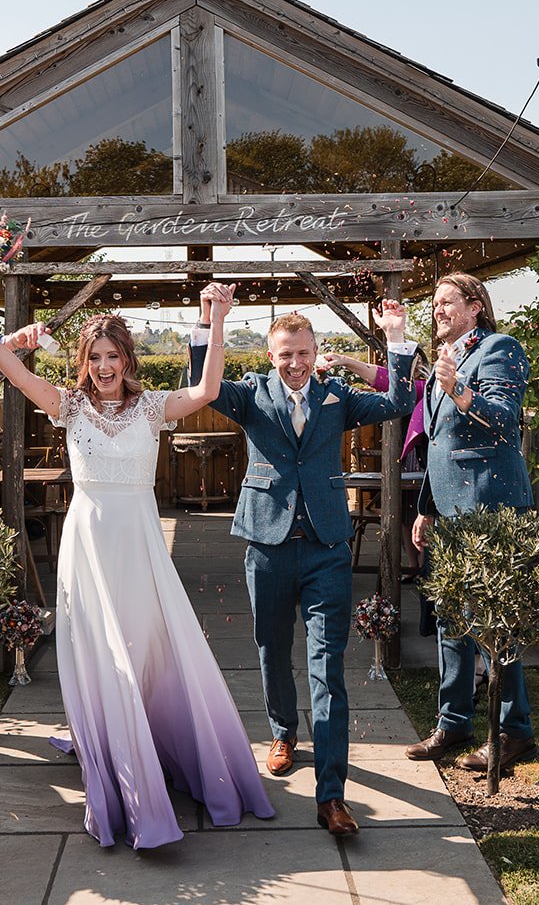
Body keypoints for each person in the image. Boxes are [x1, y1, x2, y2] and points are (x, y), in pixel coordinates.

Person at [0, 285, 274, 849]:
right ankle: (113, 753)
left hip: (138, 541)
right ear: (84, 364)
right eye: (95, 358)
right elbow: (17, 376)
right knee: (101, 649)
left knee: (149, 643)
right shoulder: (69, 406)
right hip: (89, 543)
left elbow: (206, 389)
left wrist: (219, 318)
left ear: (128, 361)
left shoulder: (153, 407)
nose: (104, 367)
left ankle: (154, 735)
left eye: (113, 357)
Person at [189, 297, 415, 837]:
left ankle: (332, 797)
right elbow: (202, 381)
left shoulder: (336, 396)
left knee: (327, 667)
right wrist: (208, 322)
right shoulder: (248, 395)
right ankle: (283, 731)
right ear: (270, 355)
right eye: (287, 354)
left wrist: (398, 336)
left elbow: (400, 399)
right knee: (270, 646)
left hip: (326, 547)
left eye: (305, 353)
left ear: (317, 354)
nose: (297, 363)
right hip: (266, 546)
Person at [406, 273, 536, 775]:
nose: (438, 309)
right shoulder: (445, 359)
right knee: (449, 621)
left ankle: (513, 731)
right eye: (434, 302)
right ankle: (453, 722)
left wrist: (458, 388)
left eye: (447, 301)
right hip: (448, 513)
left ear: (476, 306)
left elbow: (505, 418)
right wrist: (425, 508)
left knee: (494, 623)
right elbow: (440, 446)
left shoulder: (500, 348)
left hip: (490, 510)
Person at [315, 346, 430, 581]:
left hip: (424, 457)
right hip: (407, 456)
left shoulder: (425, 386)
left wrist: (346, 361)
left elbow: (390, 383)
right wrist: (345, 360)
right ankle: (415, 566)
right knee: (405, 516)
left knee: (421, 514)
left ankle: (423, 567)